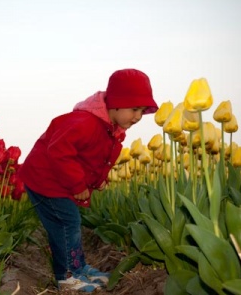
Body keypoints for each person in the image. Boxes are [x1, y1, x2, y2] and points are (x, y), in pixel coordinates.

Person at [18, 69, 158, 292]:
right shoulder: (85, 123)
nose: (138, 117)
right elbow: (58, 151)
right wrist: (78, 185)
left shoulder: (109, 128)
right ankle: (68, 277)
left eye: (142, 111)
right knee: (68, 224)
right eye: (134, 109)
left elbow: (93, 158)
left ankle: (79, 268)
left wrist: (97, 181)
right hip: (45, 179)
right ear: (116, 104)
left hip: (57, 180)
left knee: (69, 224)